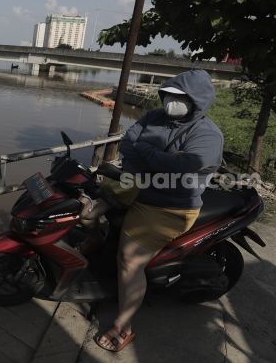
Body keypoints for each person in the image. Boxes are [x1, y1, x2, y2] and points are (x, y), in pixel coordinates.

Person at [95, 70, 224, 352]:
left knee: (129, 259)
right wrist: (155, 157)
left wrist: (148, 154)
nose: (170, 102)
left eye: (179, 98)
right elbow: (128, 143)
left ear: (196, 100)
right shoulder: (154, 118)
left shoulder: (207, 135)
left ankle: (123, 325)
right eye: (168, 95)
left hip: (170, 205)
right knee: (87, 214)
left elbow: (182, 165)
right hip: (134, 188)